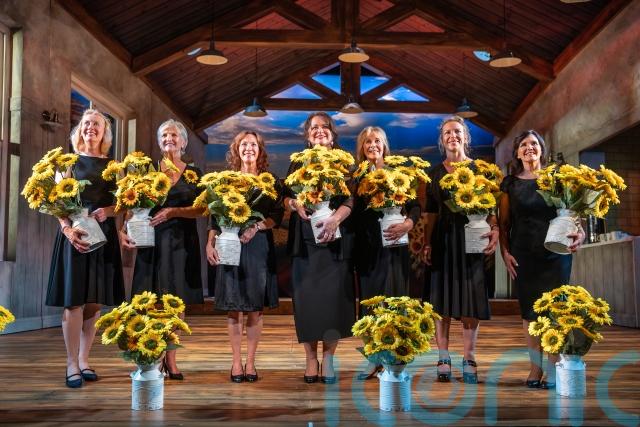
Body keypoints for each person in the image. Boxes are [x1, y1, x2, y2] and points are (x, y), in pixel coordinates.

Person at [498, 130, 585, 389]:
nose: (529, 148)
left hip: (555, 254)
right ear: (517, 152)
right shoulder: (509, 184)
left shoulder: (557, 178)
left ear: (541, 149)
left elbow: (573, 213)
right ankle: (535, 367)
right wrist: (504, 252)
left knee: (556, 310)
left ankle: (554, 366)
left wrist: (580, 233)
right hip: (523, 255)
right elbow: (504, 224)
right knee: (530, 313)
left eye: (534, 143)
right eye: (524, 144)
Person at [46, 109, 125, 388]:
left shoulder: (113, 166)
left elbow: (124, 204)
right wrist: (67, 230)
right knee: (74, 301)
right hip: (75, 237)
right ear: (79, 130)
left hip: (103, 237)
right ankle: (70, 363)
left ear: (105, 133)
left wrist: (109, 211)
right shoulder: (67, 162)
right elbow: (55, 203)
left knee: (94, 301)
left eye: (97, 124)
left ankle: (83, 359)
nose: (91, 128)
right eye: (86, 123)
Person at [121, 119, 205, 380]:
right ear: (159, 142)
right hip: (150, 242)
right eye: (164, 135)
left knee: (176, 300)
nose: (169, 139)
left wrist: (173, 212)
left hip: (181, 243)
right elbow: (130, 203)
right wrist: (123, 229)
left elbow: (202, 209)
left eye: (174, 135)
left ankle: (171, 358)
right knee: (150, 299)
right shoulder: (146, 171)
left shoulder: (194, 174)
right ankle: (153, 356)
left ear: (183, 141)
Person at [422, 115, 499, 384]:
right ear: (441, 140)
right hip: (444, 239)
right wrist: (427, 242)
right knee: (440, 300)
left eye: (457, 131)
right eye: (447, 133)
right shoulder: (434, 173)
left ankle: (469, 356)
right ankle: (443, 356)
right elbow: (431, 213)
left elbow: (491, 207)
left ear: (465, 136)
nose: (452, 136)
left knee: (470, 298)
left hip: (474, 239)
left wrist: (495, 229)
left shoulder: (480, 170)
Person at [206, 131, 284, 383]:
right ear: (236, 150)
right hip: (229, 244)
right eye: (244, 144)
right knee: (233, 308)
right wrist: (210, 243)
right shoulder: (225, 181)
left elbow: (276, 216)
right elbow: (214, 218)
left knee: (254, 308)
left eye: (253, 144)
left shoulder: (271, 181)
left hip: (258, 246)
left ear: (260, 151)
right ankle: (236, 362)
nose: (248, 148)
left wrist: (256, 227)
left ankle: (250, 362)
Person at [284, 112, 355, 384]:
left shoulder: (344, 162)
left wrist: (336, 218)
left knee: (333, 304)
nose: (320, 131)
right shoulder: (297, 161)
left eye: (325, 127)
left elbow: (351, 199)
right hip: (305, 244)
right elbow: (286, 197)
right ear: (307, 134)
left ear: (333, 134)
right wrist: (295, 204)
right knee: (307, 304)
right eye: (314, 128)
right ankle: (310, 359)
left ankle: (329, 359)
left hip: (335, 243)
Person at [353, 126, 420, 380]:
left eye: (377, 141)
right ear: (362, 147)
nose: (373, 145)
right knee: (370, 304)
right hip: (368, 249)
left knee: (395, 301)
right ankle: (373, 359)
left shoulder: (399, 173)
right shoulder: (356, 177)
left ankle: (396, 358)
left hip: (395, 246)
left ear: (384, 145)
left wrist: (408, 224)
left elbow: (415, 206)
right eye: (368, 141)